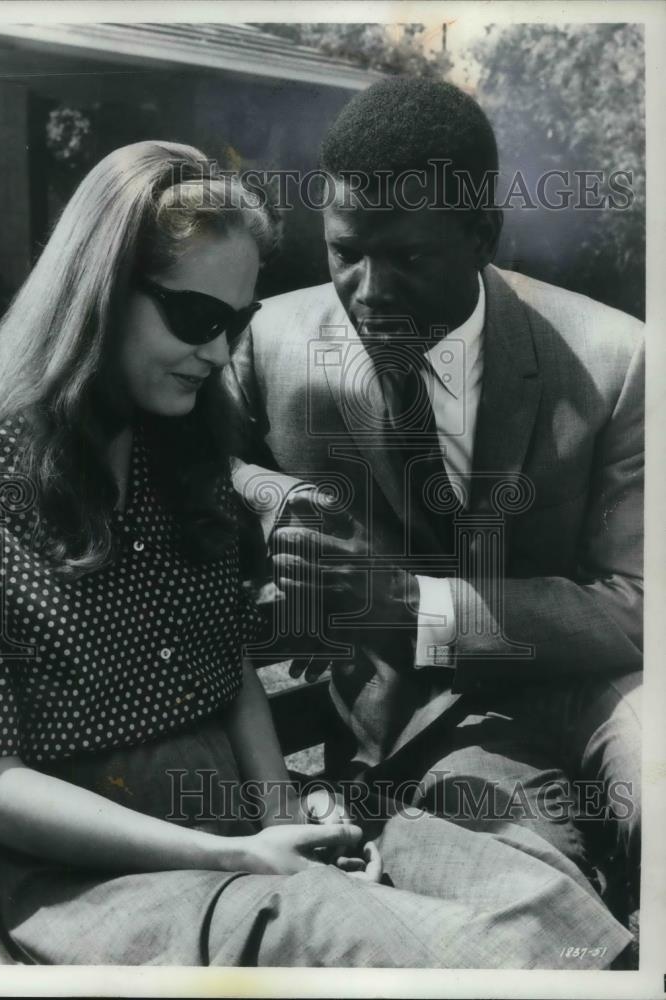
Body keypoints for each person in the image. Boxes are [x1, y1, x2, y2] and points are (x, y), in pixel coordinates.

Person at [0, 140, 633, 969]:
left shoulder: (179, 449)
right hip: (86, 872)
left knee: (537, 906)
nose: (221, 354)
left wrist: (281, 816)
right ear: (100, 293)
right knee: (384, 940)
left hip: (243, 829)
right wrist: (238, 855)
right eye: (195, 319)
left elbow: (231, 679)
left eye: (238, 323)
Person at [227, 78, 643, 921]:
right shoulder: (267, 340)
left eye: (409, 258)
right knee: (539, 895)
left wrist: (410, 603)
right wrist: (274, 495)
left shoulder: (619, 358)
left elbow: (642, 606)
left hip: (609, 692)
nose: (369, 292)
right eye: (346, 252)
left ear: (483, 234)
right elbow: (191, 467)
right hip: (425, 730)